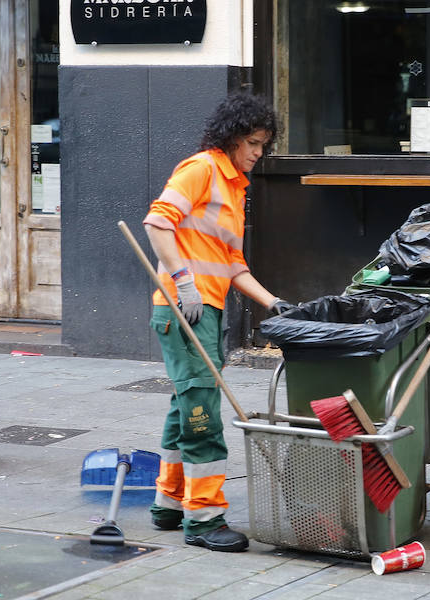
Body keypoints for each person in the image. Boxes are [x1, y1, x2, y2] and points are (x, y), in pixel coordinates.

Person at [142, 91, 294, 552]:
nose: (257, 153)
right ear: (230, 138)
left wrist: (274, 303)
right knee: (203, 412)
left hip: (206, 309)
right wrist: (184, 282)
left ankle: (171, 503)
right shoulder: (202, 169)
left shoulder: (233, 187)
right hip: (185, 307)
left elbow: (232, 263)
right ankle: (205, 519)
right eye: (251, 142)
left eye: (263, 145)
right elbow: (156, 223)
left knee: (185, 404)